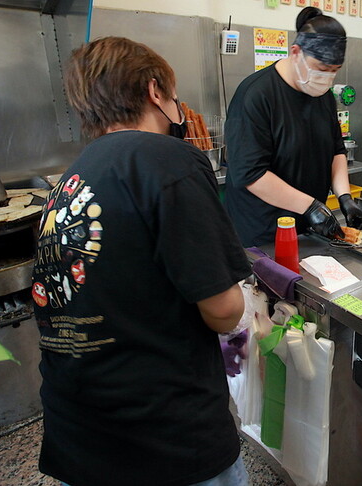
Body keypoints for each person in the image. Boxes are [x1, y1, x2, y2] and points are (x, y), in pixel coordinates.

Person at [31, 37, 251, 486]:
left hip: (79, 431)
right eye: (175, 96)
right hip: (162, 435)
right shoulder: (169, 160)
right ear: (155, 91)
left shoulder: (71, 179)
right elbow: (224, 310)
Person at [225, 6, 362, 247]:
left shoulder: (322, 95)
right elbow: (251, 174)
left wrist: (345, 198)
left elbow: (336, 149)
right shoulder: (256, 95)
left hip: (308, 229)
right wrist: (310, 206)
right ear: (296, 52)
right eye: (321, 69)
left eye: (334, 71)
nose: (326, 78)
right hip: (263, 232)